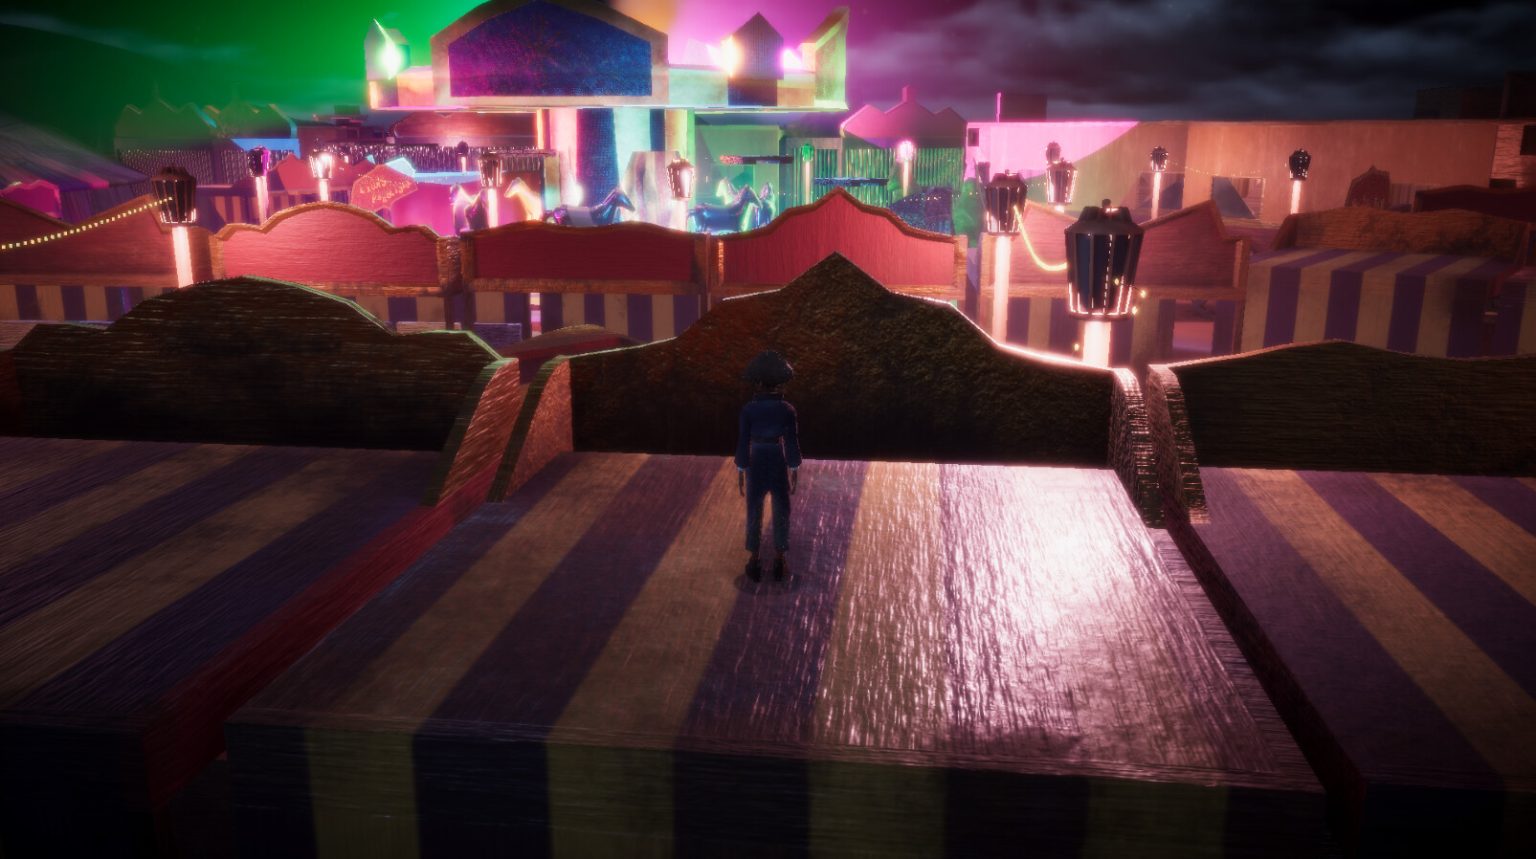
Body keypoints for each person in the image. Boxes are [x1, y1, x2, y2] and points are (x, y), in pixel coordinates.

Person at [735, 350, 802, 582]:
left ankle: (754, 558)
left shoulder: (748, 410)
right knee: (782, 507)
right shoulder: (787, 410)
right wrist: (794, 466)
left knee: (754, 508)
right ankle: (780, 558)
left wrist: (741, 468)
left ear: (758, 383)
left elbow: (743, 441)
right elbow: (791, 442)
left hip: (756, 459)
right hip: (776, 458)